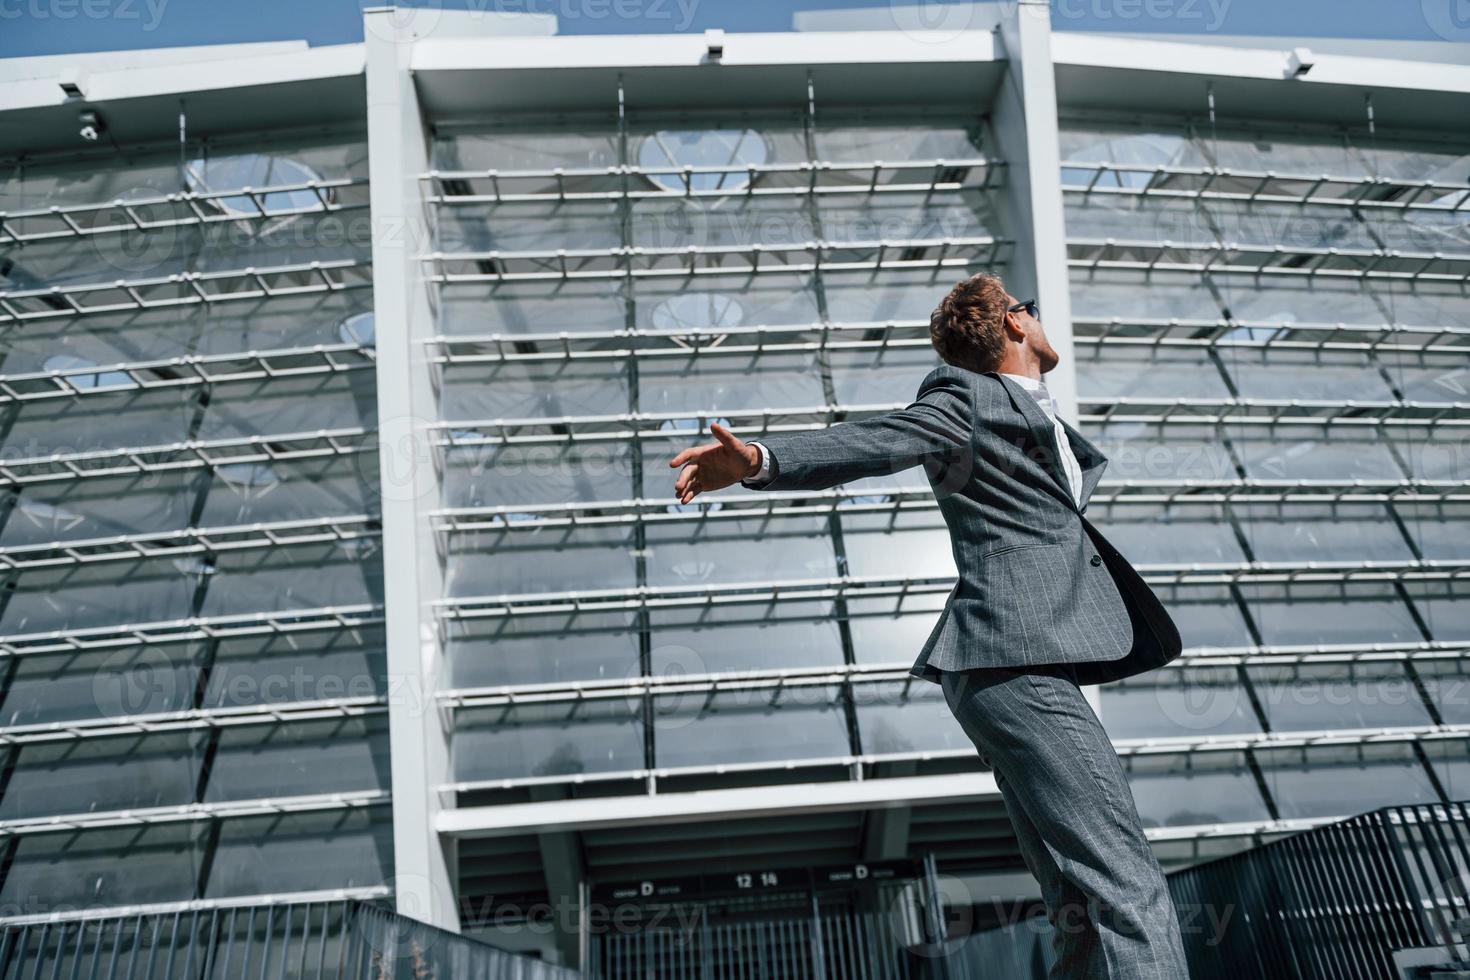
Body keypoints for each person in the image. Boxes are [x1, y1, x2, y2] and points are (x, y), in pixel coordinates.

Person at [668, 272, 1191, 979]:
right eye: (1029, 309)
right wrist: (761, 461)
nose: (1039, 318)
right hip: (1015, 658)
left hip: (1016, 664)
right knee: (1129, 883)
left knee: (1078, 896)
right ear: (1012, 324)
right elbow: (875, 441)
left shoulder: (1035, 416)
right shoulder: (965, 399)